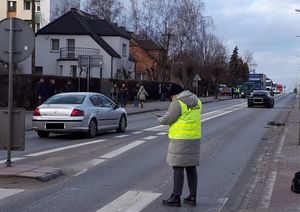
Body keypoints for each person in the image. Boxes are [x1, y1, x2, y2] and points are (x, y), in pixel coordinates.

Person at [157, 85, 202, 207]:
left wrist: (160, 119)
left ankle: (176, 196)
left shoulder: (178, 103)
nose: (172, 99)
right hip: (194, 137)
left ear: (175, 94)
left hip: (180, 139)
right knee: (191, 167)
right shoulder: (197, 101)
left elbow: (168, 119)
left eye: (172, 96)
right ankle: (192, 197)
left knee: (178, 166)